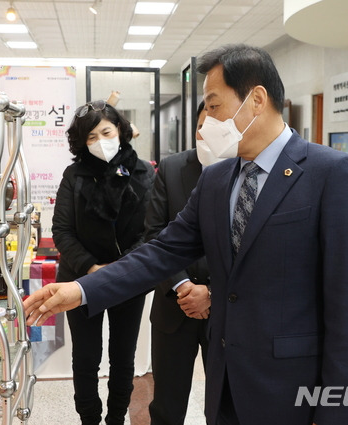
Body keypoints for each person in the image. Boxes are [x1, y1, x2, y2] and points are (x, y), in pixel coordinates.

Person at [25, 44, 348, 425]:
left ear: (256, 99)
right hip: (226, 386)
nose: (207, 122)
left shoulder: (332, 174)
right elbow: (161, 251)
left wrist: (342, 414)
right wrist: (81, 290)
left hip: (292, 391)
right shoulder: (216, 179)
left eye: (213, 106)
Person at [51, 99, 155, 425]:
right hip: (81, 279)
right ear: (82, 142)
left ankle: (115, 420)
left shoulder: (142, 172)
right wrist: (93, 270)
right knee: (85, 358)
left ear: (120, 131)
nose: (100, 141)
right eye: (91, 137)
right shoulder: (75, 175)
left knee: (123, 358)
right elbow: (62, 232)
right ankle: (90, 421)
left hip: (129, 278)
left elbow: (150, 230)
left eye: (106, 132)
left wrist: (122, 271)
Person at [145, 101, 213, 425]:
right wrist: (184, 285)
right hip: (173, 307)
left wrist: (210, 292)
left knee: (228, 406)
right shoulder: (171, 169)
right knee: (166, 408)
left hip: (227, 311)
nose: (205, 133)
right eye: (201, 125)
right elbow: (155, 236)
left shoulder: (249, 171)